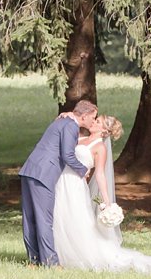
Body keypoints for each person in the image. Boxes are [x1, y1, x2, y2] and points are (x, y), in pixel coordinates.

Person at [52, 114, 151, 274]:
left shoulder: (99, 148)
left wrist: (107, 201)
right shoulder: (80, 138)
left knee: (75, 219)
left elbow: (100, 174)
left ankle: (74, 255)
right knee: (59, 216)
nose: (93, 122)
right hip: (62, 183)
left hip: (76, 187)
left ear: (104, 130)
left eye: (98, 121)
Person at [19, 101, 98, 266]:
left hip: (30, 170)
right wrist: (84, 170)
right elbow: (68, 155)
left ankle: (34, 260)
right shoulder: (71, 126)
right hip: (44, 174)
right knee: (44, 219)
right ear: (83, 116)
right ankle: (51, 262)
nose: (93, 121)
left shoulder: (62, 121)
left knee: (30, 217)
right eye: (93, 117)